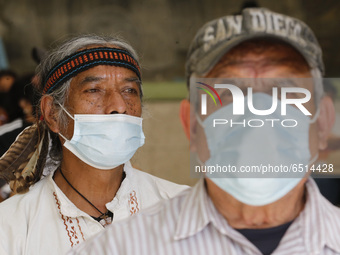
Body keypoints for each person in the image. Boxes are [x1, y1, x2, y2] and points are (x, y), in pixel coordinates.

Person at [69, 8, 340, 255]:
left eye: (285, 93)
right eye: (230, 93)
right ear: (193, 126)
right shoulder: (117, 249)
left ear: (324, 122)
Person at [0, 34, 188, 255]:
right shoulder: (11, 227)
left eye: (129, 90)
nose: (118, 105)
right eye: (94, 90)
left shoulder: (183, 209)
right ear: (51, 113)